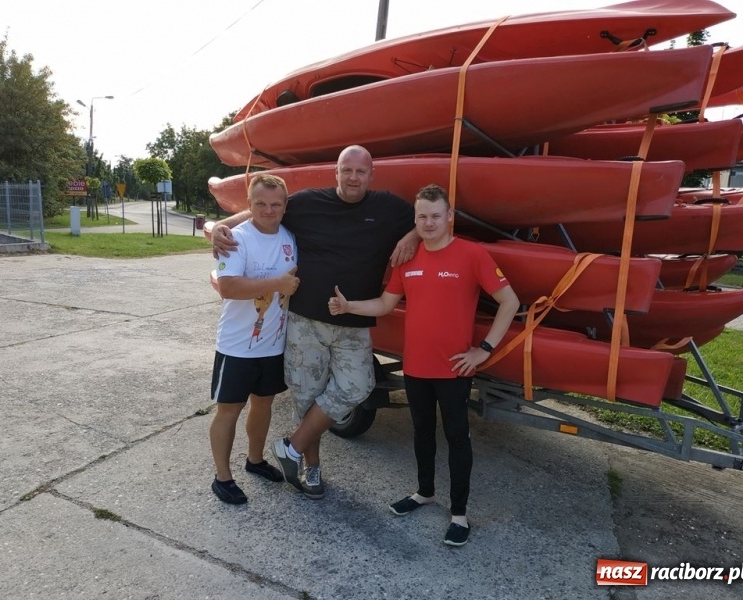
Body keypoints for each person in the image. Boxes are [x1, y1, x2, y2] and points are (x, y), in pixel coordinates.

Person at [211, 145, 418, 499]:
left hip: (353, 321)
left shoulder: (388, 207)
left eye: (360, 172)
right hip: (303, 321)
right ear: (335, 173)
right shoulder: (306, 203)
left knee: (358, 385)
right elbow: (263, 210)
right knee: (306, 397)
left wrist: (413, 234)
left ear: (371, 175)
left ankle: (288, 447)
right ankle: (310, 467)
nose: (353, 178)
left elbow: (429, 217)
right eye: (346, 170)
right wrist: (219, 226)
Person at [328, 184, 520, 546]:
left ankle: (459, 514)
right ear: (415, 220)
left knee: (457, 439)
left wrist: (484, 350)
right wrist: (349, 306)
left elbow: (509, 301)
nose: (429, 223)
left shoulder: (472, 254)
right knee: (422, 433)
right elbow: (386, 305)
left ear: (450, 217)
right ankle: (424, 492)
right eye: (422, 217)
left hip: (454, 370)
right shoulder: (408, 260)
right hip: (415, 367)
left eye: (435, 216)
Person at [209, 173, 300, 504]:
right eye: (260, 204)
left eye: (276, 204)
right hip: (236, 346)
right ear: (248, 205)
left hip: (273, 345)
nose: (268, 210)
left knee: (264, 405)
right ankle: (222, 477)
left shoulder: (291, 237)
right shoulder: (235, 238)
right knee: (229, 410)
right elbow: (228, 287)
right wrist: (276, 284)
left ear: (285, 206)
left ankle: (255, 460)